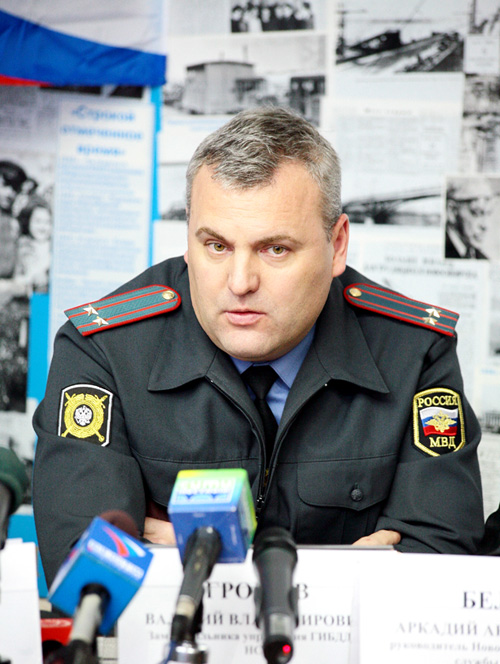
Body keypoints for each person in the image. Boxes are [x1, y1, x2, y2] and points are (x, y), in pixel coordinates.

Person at [32, 107, 484, 586]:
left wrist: (201, 555)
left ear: (337, 245)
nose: (240, 282)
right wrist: (347, 570)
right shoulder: (105, 350)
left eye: (275, 249)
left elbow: (438, 573)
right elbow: (89, 578)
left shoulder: (413, 353)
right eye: (216, 246)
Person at [445, 177, 495, 259]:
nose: (485, 225)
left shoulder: (482, 259)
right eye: (476, 213)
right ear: (452, 211)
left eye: (488, 214)